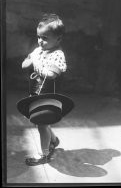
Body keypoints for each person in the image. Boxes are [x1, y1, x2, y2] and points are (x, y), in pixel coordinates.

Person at [22, 13, 67, 165]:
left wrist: (36, 62)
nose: (40, 41)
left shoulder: (58, 55)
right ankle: (53, 140)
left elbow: (51, 75)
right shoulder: (38, 51)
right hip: (36, 93)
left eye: (45, 38)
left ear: (58, 39)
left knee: (41, 123)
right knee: (39, 121)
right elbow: (24, 65)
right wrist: (30, 58)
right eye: (39, 37)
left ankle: (43, 154)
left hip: (49, 96)